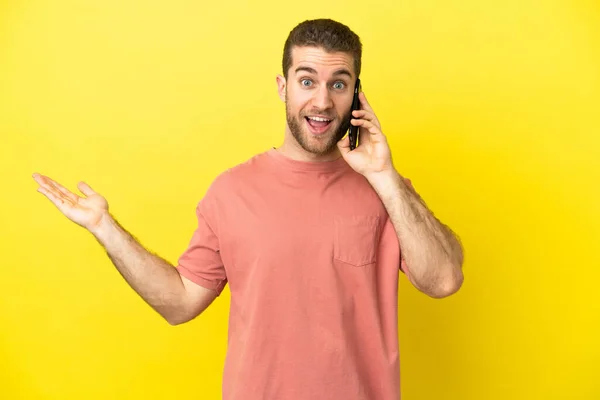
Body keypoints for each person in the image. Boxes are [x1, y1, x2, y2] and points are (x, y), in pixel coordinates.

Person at [32, 18, 464, 400]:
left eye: (339, 83)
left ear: (356, 94)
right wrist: (105, 228)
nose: (322, 102)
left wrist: (386, 177)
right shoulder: (231, 191)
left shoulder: (386, 191)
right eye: (307, 80)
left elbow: (443, 279)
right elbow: (180, 303)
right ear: (283, 86)